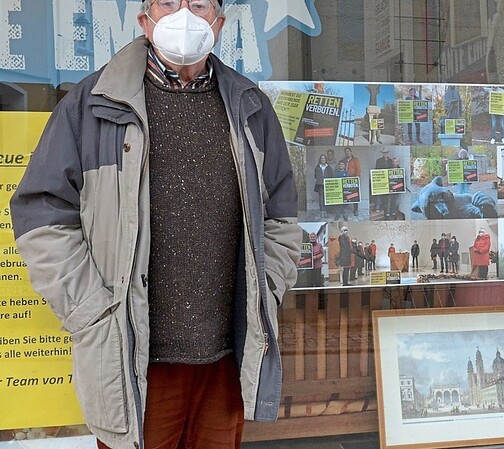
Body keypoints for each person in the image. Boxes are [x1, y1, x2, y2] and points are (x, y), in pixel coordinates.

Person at [8, 0, 302, 448]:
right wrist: (92, 311)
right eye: (168, 2)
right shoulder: (92, 106)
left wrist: (267, 290)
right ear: (144, 18)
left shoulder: (251, 109)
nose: (183, 15)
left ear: (219, 24)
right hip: (133, 361)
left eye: (199, 5)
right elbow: (39, 216)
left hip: (225, 362)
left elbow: (281, 217)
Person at [341, 146, 362, 217]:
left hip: (353, 179)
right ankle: (344, 210)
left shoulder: (355, 160)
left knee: (355, 195)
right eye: (346, 152)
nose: (347, 153)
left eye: (348, 151)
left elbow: (358, 169)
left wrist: (356, 178)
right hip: (345, 180)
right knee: (345, 194)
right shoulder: (343, 160)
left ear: (350, 152)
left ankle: (355, 210)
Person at [315, 154, 334, 218]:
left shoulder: (328, 167)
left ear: (326, 160)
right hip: (320, 185)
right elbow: (315, 176)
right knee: (321, 198)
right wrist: (320, 180)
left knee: (326, 198)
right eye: (322, 158)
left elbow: (331, 175)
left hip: (327, 185)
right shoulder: (317, 167)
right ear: (320, 160)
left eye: (324, 158)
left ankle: (326, 211)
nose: (323, 159)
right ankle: (322, 211)